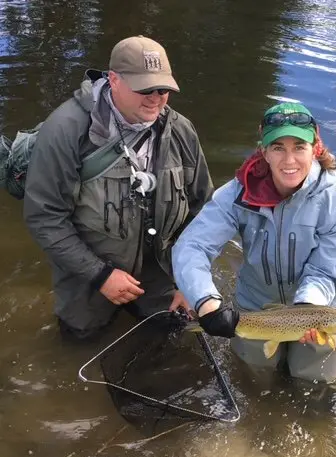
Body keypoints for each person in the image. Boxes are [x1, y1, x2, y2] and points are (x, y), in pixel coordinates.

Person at [23, 35, 214, 340]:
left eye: (163, 89)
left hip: (160, 275)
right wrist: (100, 275)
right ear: (113, 80)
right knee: (77, 344)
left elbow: (203, 212)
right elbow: (45, 218)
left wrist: (190, 282)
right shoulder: (65, 130)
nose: (155, 98)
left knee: (170, 344)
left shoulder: (181, 130)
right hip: (88, 277)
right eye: (144, 89)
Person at [172, 102, 336, 383]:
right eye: (278, 147)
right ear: (264, 151)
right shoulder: (236, 194)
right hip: (256, 305)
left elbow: (325, 270)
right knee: (253, 377)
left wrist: (307, 311)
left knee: (314, 379)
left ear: (315, 147)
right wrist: (206, 302)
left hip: (324, 304)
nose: (289, 160)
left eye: (299, 146)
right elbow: (191, 246)